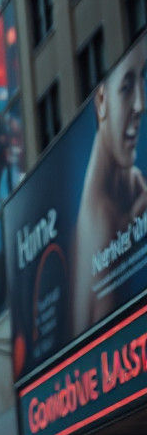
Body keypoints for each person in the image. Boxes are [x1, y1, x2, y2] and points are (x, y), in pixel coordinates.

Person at [72, 37, 147, 332]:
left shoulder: (132, 183)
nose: (141, 105)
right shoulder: (101, 221)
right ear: (101, 102)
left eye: (142, 79)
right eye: (127, 87)